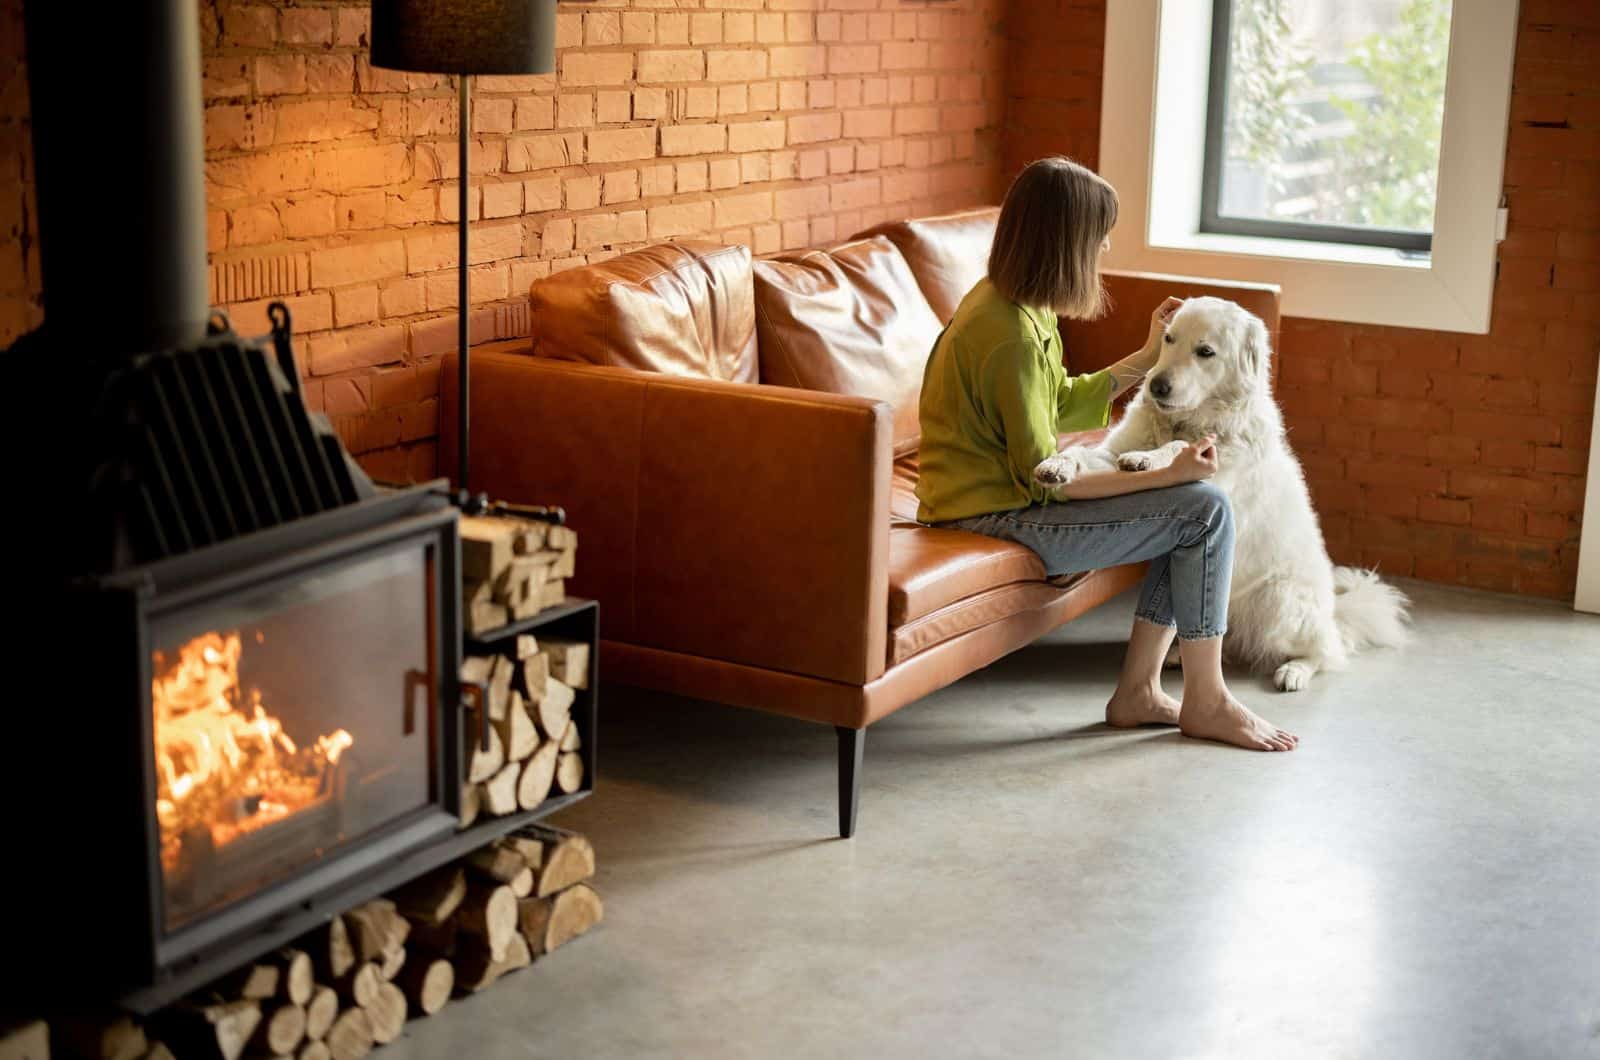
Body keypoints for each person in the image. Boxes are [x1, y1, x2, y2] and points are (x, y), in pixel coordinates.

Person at [916, 156, 1297, 752]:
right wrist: (1165, 475)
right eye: (1099, 233)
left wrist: (1148, 355)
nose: (1106, 245)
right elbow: (1049, 481)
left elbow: (1059, 403)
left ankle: (1144, 691)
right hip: (992, 512)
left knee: (1193, 507)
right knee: (1204, 511)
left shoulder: (1018, 304)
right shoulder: (1009, 335)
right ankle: (1202, 696)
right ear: (1066, 241)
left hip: (1002, 494)